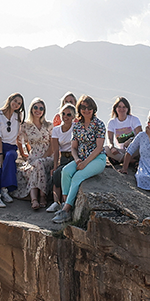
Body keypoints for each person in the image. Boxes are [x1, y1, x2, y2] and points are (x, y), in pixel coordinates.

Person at [53, 95, 106, 225]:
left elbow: (99, 148)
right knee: (65, 171)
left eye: (89, 107)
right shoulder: (77, 125)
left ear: (94, 109)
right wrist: (76, 160)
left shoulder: (99, 124)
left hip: (97, 159)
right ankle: (66, 205)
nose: (86, 110)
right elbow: (73, 147)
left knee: (78, 176)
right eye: (83, 107)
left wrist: (85, 163)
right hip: (80, 158)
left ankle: (66, 210)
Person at [0, 93, 24, 207]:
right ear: (10, 99)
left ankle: (4, 189)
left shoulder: (18, 117)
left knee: (11, 156)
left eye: (19, 103)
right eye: (15, 101)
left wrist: (23, 153)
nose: (16, 104)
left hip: (10, 147)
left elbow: (18, 138)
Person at [18, 98, 54, 210]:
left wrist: (43, 157)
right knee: (34, 169)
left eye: (41, 108)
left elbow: (52, 145)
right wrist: (23, 153)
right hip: (33, 156)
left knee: (38, 164)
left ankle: (40, 197)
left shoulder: (49, 126)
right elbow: (20, 140)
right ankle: (37, 199)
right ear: (31, 109)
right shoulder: (26, 126)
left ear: (44, 111)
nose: (38, 110)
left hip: (47, 157)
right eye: (36, 107)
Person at [46, 103, 77, 213]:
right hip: (63, 157)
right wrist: (55, 165)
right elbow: (55, 150)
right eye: (63, 114)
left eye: (69, 114)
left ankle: (65, 202)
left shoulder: (76, 128)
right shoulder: (56, 130)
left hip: (74, 157)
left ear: (73, 116)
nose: (65, 117)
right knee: (56, 173)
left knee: (65, 173)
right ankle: (56, 202)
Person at [105, 97, 141, 164]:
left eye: (124, 107)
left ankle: (123, 160)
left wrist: (131, 140)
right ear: (116, 108)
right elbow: (110, 140)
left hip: (134, 149)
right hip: (122, 151)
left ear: (127, 109)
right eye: (119, 107)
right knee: (105, 149)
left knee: (141, 149)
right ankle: (130, 161)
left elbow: (141, 136)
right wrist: (112, 147)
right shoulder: (112, 122)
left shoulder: (134, 119)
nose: (122, 109)